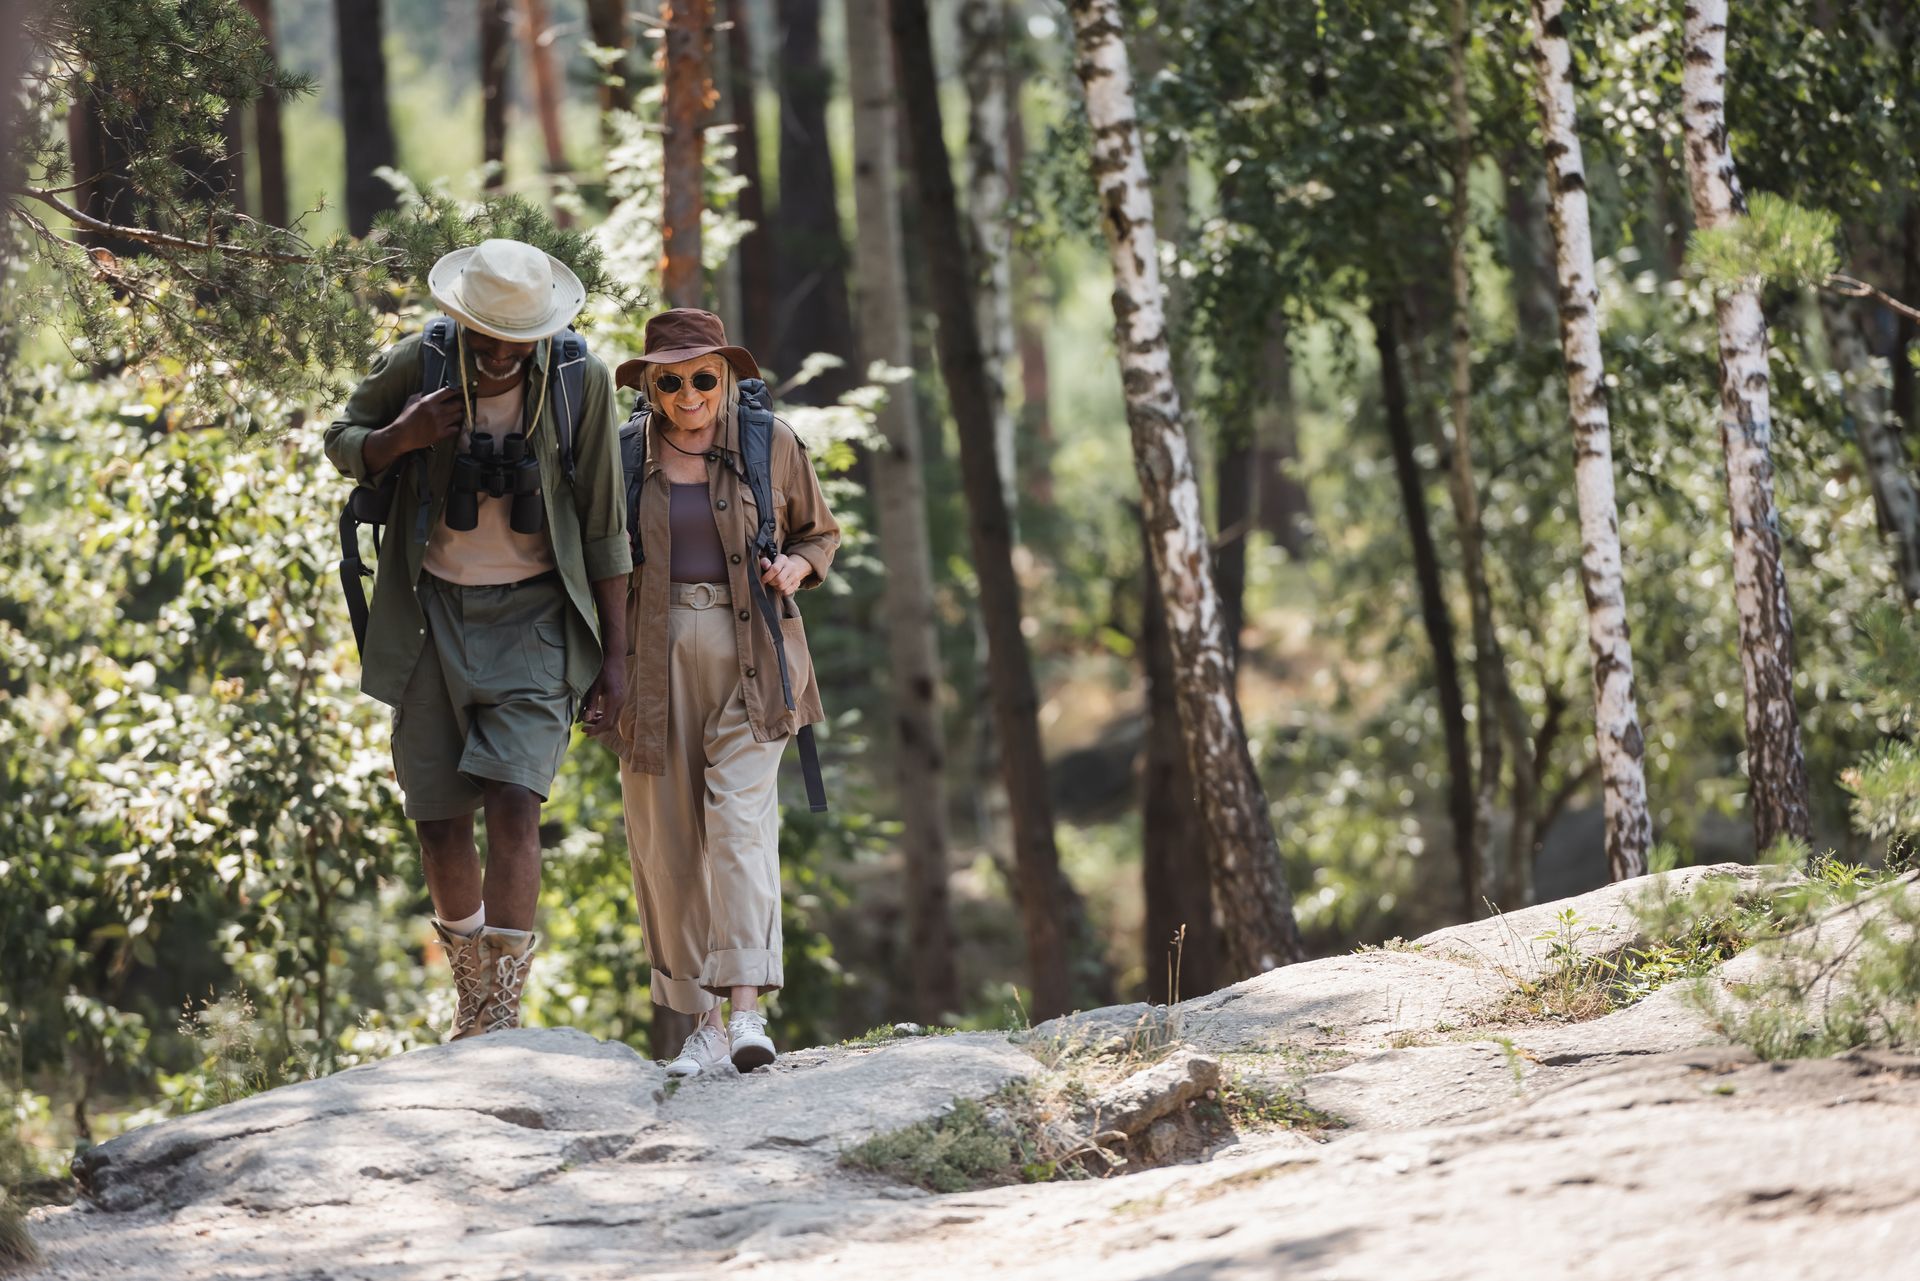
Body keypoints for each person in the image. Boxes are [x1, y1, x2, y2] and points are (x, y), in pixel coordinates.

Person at [324, 239, 631, 1040]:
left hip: (535, 615)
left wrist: (617, 661)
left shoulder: (577, 381)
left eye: (516, 337)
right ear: (461, 319)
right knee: (435, 816)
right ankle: (470, 991)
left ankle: (502, 1006)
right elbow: (342, 438)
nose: (499, 353)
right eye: (485, 334)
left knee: (516, 804)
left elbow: (606, 525)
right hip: (432, 616)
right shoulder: (421, 363)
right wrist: (404, 435)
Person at [608, 308, 840, 1077]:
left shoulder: (767, 441)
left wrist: (798, 568)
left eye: (703, 377)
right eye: (668, 381)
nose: (688, 394)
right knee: (667, 843)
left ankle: (746, 1014)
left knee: (740, 824)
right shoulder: (622, 455)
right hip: (651, 658)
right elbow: (587, 562)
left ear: (727, 374)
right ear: (649, 385)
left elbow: (819, 533)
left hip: (756, 655)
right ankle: (700, 1026)